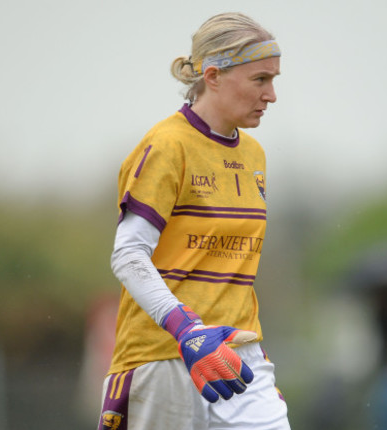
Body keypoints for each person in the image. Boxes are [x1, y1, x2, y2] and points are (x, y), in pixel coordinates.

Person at [97, 12, 289, 430]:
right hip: (163, 355)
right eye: (260, 80)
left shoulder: (255, 155)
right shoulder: (167, 145)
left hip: (240, 355)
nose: (271, 94)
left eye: (274, 80)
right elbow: (129, 255)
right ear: (214, 75)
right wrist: (187, 331)